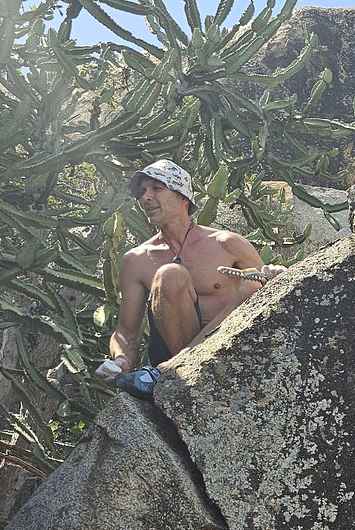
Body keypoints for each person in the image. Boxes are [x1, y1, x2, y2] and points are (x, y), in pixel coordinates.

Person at [100, 160, 284, 397]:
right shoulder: (137, 260)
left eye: (157, 189)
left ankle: (171, 368)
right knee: (170, 275)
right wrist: (121, 360)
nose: (146, 198)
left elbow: (269, 297)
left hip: (226, 350)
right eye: (142, 191)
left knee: (251, 286)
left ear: (183, 197)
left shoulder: (227, 244)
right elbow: (126, 332)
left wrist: (276, 275)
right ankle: (176, 370)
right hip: (171, 362)